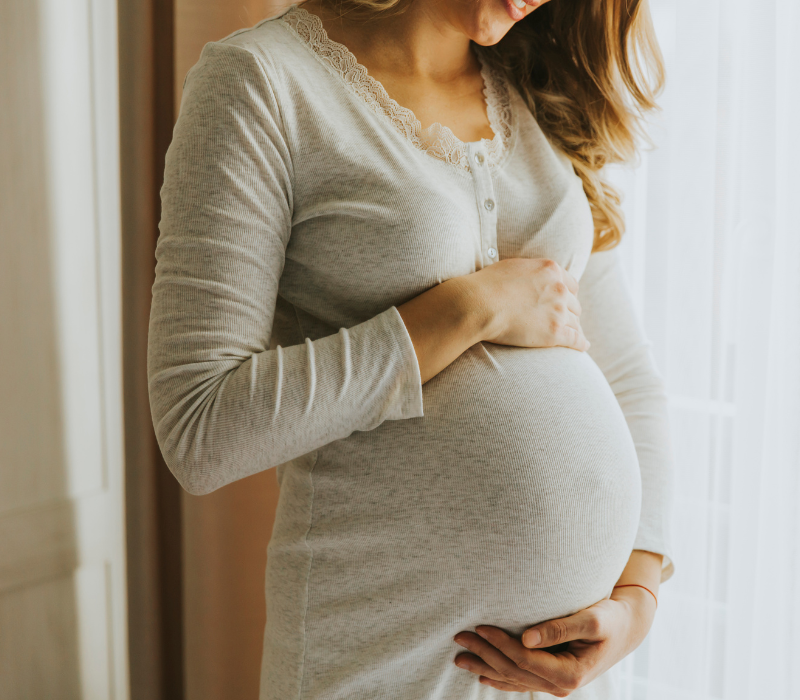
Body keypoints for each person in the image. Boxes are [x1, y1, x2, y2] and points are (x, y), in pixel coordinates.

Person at [147, 0, 673, 696]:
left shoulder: (536, 84)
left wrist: (636, 599)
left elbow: (629, 376)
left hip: (554, 673)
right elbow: (199, 429)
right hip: (381, 657)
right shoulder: (265, 83)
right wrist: (464, 311)